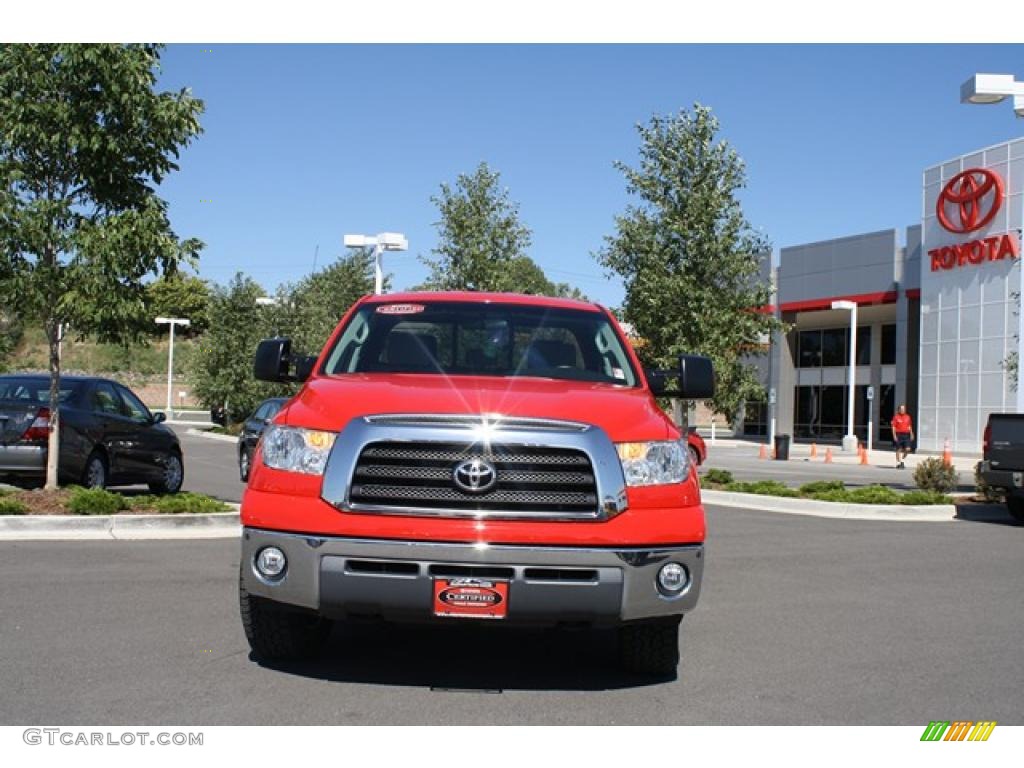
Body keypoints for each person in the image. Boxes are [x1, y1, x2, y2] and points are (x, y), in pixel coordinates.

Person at [891, 404, 914, 469]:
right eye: (901, 409)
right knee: (899, 449)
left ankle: (903, 459)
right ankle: (899, 463)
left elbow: (909, 426)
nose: (902, 410)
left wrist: (911, 434)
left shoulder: (908, 417)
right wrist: (894, 435)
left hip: (906, 435)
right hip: (898, 434)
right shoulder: (896, 417)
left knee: (908, 449)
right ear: (898, 410)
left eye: (903, 409)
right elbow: (893, 427)